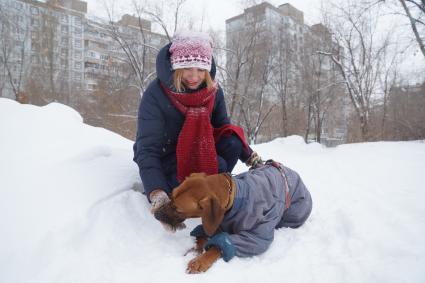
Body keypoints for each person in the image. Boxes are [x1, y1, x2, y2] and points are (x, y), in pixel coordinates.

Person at [133, 30, 262, 231]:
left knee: (232, 144)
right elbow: (147, 149)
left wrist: (251, 158)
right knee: (189, 176)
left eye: (201, 69)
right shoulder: (155, 95)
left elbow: (223, 130)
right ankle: (185, 191)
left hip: (201, 150)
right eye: (187, 68)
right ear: (176, 66)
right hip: (169, 156)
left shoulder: (213, 91)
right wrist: (157, 192)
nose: (195, 76)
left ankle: (213, 192)